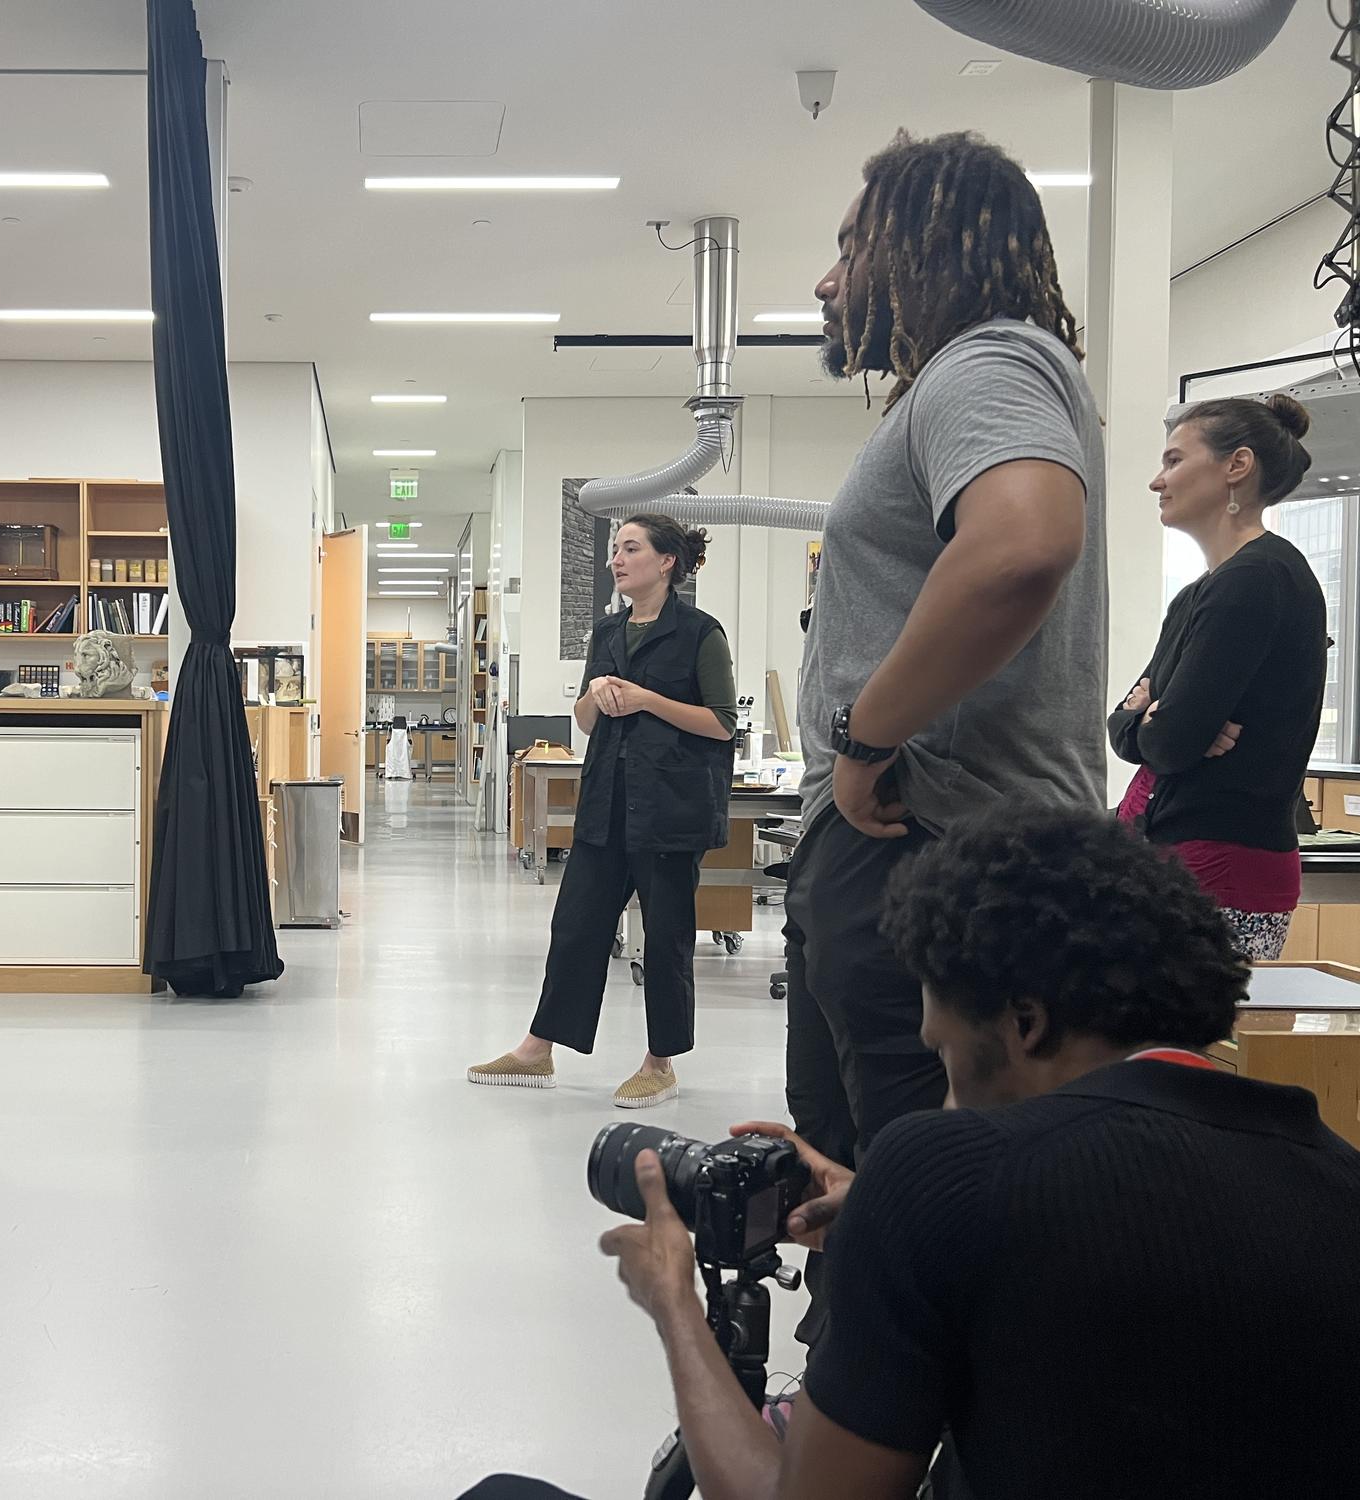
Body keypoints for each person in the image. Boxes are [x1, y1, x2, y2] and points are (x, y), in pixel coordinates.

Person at [469, 809, 1360, 1500]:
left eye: (943, 1056)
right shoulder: (1336, 1173)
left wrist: (675, 1306)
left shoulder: (946, 1170)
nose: (946, 1097)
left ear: (1026, 1023)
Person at [785, 129, 1107, 1187]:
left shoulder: (989, 360)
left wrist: (863, 735)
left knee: (939, 1198)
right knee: (862, 1183)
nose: (826, 282)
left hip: (932, 850)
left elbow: (1019, 546)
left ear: (929, 248)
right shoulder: (972, 377)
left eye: (850, 246)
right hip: (919, 851)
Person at [469, 515, 736, 1106]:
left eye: (630, 549)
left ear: (667, 562)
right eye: (615, 549)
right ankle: (538, 1050)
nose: (616, 559)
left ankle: (659, 1062)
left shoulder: (699, 633)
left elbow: (720, 724)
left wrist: (646, 699)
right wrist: (593, 697)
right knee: (575, 927)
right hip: (606, 804)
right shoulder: (606, 634)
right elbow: (586, 724)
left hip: (670, 809)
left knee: (666, 936)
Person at [1109, 394, 1324, 959]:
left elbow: (1173, 741)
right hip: (1163, 855)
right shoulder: (1199, 594)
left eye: (1175, 460)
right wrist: (1147, 720)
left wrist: (1159, 718)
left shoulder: (1258, 579)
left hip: (1216, 867)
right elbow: (1126, 726)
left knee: (1183, 1045)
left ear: (1236, 466)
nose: (1158, 481)